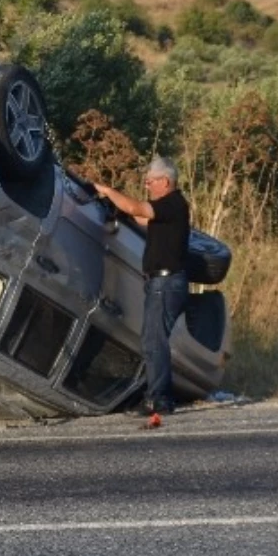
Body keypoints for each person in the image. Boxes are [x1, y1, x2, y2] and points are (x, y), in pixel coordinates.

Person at [94, 157, 190, 415]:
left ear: (165, 181)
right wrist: (114, 207)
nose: (147, 185)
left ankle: (159, 399)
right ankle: (158, 395)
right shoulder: (168, 210)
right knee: (152, 340)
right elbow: (139, 218)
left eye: (150, 181)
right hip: (161, 283)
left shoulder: (172, 203)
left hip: (166, 283)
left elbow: (136, 208)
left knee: (154, 341)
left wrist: (107, 190)